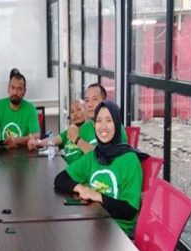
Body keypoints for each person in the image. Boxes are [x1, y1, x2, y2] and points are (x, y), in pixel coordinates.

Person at [54, 100, 146, 236]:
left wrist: (97, 196)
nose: (103, 127)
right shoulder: (94, 155)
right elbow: (60, 179)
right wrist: (82, 189)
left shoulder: (129, 160)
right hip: (95, 223)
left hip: (118, 232)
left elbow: (130, 211)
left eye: (109, 120)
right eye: (98, 121)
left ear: (117, 124)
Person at [0, 69, 40, 147]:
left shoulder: (30, 109)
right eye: (13, 88)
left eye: (19, 89)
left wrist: (17, 141)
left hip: (24, 152)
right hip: (2, 153)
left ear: (24, 91)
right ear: (8, 88)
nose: (15, 92)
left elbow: (36, 135)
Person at [28, 98, 87, 163]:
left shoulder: (91, 132)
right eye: (72, 111)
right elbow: (52, 140)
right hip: (66, 167)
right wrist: (36, 142)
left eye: (78, 109)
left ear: (86, 111)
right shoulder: (68, 132)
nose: (75, 114)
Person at [77, 83, 127, 153]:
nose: (90, 105)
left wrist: (77, 140)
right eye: (87, 100)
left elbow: (111, 154)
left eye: (95, 99)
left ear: (104, 101)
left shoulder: (115, 126)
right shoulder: (84, 128)